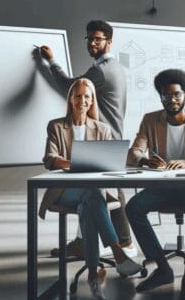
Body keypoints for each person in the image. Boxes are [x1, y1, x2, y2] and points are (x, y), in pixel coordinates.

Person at [124, 69, 185, 300]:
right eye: (166, 96)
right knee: (134, 207)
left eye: (177, 94)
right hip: (165, 187)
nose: (172, 100)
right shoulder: (150, 120)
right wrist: (144, 160)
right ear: (160, 96)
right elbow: (134, 152)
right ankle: (163, 268)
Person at [38, 78, 141, 300]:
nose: (82, 100)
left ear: (92, 100)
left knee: (90, 202)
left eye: (87, 96)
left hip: (94, 192)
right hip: (65, 190)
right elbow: (50, 159)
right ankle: (117, 251)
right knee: (92, 195)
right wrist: (75, 163)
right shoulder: (56, 126)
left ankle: (94, 276)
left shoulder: (102, 128)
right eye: (78, 96)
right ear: (70, 99)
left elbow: (110, 163)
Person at [36, 20, 134, 259]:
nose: (92, 43)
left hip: (101, 138)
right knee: (102, 192)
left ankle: (123, 243)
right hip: (111, 138)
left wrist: (51, 61)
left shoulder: (99, 71)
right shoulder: (119, 68)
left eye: (97, 39)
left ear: (109, 42)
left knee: (103, 191)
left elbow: (68, 87)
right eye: (89, 38)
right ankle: (94, 242)